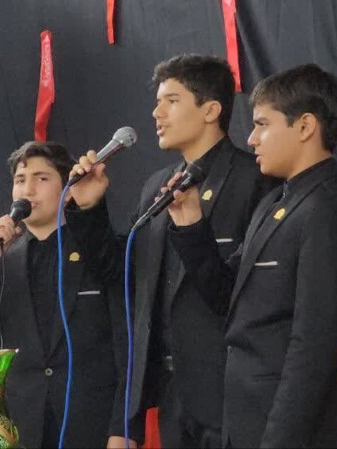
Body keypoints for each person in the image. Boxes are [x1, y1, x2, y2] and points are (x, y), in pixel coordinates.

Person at [69, 54, 276, 448]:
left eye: (172, 100)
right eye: (157, 101)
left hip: (231, 392)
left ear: (211, 110)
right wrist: (90, 209)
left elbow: (248, 297)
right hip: (171, 396)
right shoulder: (158, 185)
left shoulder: (255, 180)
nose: (156, 112)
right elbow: (121, 272)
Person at [166, 63, 337, 447]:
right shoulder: (273, 203)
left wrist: (278, 440)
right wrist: (191, 224)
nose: (252, 138)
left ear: (305, 126)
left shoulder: (329, 210)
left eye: (262, 125)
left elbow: (313, 345)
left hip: (292, 432)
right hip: (243, 421)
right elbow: (226, 296)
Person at [0, 141, 127, 448]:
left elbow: (126, 346)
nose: (27, 190)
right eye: (20, 180)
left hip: (90, 422)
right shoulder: (2, 262)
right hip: (23, 424)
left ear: (68, 187)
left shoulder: (98, 250)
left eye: (42, 178)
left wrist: (122, 429)